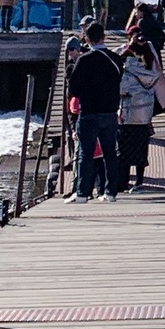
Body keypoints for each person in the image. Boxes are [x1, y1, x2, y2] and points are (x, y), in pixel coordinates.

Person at [66, 20, 125, 202]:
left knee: (86, 153)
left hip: (89, 112)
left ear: (87, 39)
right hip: (110, 111)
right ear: (104, 37)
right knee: (110, 153)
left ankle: (83, 193)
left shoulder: (84, 60)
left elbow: (73, 89)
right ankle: (110, 192)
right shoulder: (115, 59)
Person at [117, 36, 162, 193]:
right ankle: (139, 182)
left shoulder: (126, 74)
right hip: (144, 118)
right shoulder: (145, 72)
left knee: (124, 152)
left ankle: (123, 183)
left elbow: (120, 91)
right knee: (141, 151)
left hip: (128, 117)